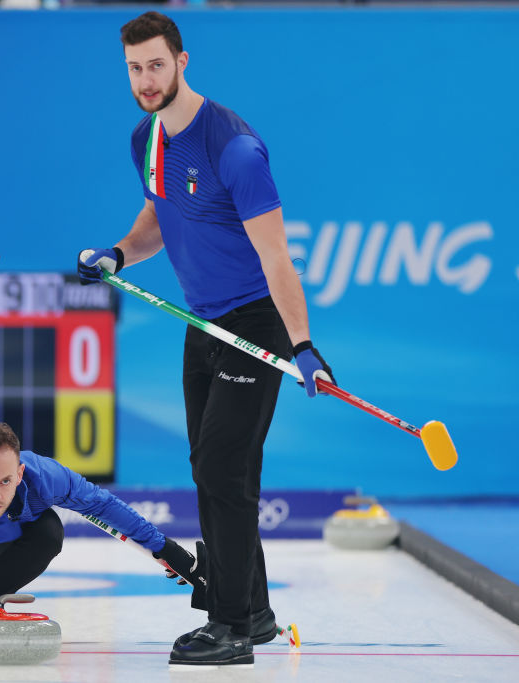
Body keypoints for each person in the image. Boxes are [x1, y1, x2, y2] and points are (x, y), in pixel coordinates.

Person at [76, 12, 336, 669]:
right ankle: (254, 609)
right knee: (219, 468)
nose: (146, 79)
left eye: (156, 65)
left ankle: (229, 627)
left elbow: (277, 257)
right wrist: (117, 253)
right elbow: (157, 219)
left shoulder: (234, 148)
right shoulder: (146, 139)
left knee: (222, 465)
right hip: (204, 325)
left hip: (254, 323)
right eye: (135, 68)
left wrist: (302, 343)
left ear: (183, 61)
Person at [0, 420, 206, 646]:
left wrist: (166, 549)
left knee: (49, 531)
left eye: (5, 481)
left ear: (21, 474)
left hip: (10, 534)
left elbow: (103, 505)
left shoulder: (46, 476)